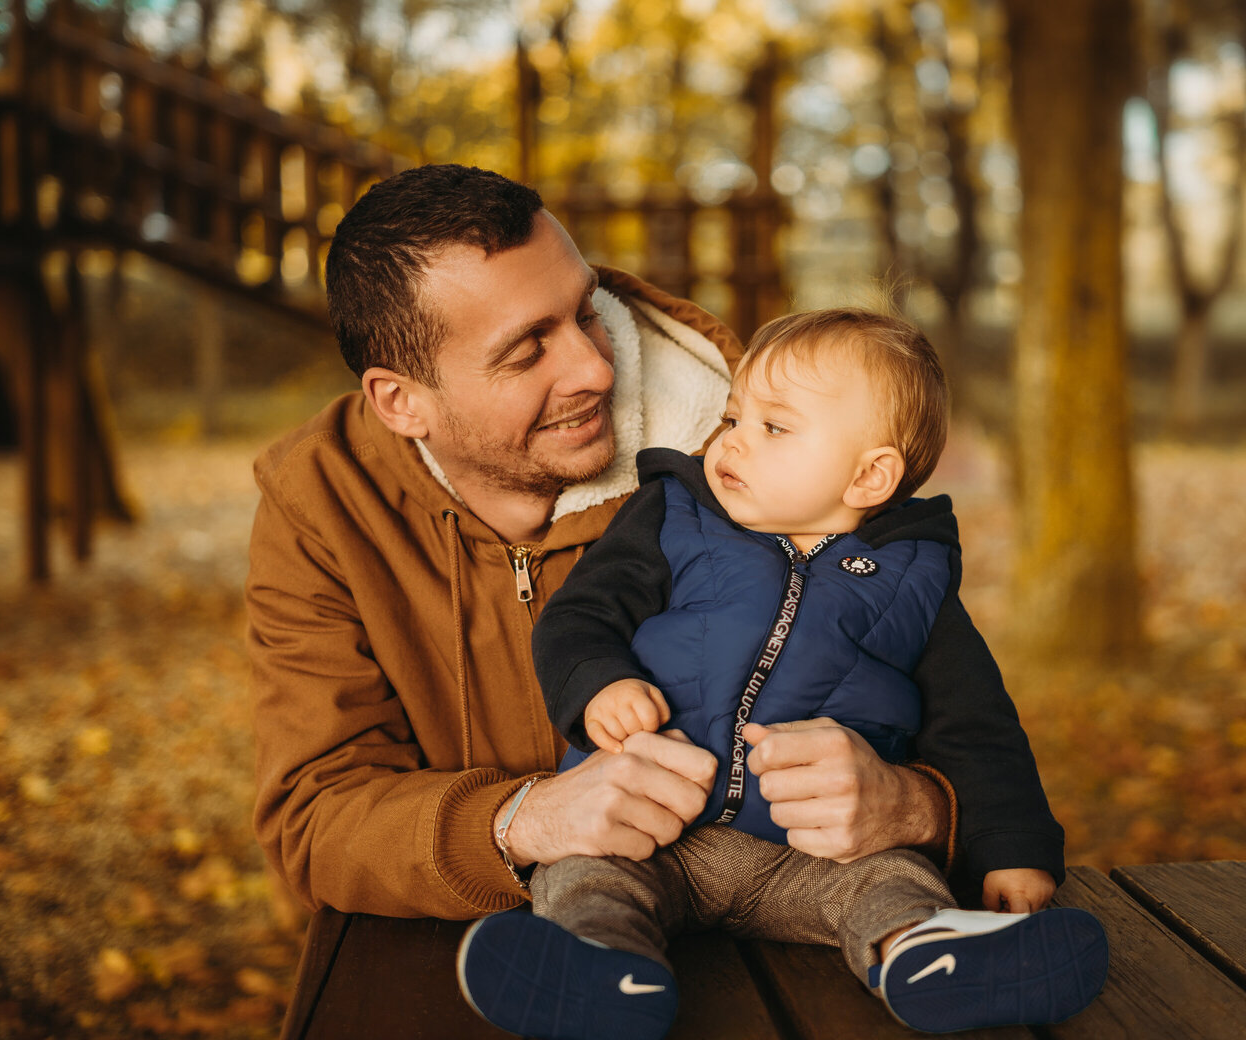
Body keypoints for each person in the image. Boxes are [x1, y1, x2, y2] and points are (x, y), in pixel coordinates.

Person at [246, 165, 958, 929]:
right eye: (526, 352)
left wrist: (918, 806)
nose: (595, 365)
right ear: (402, 401)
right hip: (479, 961)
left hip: (795, 940)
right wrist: (522, 819)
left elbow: (960, 710)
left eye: (586, 311)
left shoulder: (768, 453)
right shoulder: (322, 500)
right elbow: (314, 814)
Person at [455, 308, 1108, 1040]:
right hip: (654, 827)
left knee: (890, 881)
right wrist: (598, 685)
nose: (732, 439)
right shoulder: (675, 518)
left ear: (870, 474)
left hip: (820, 850)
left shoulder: (913, 580)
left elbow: (978, 724)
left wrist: (1013, 846)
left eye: (775, 427)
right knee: (584, 877)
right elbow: (580, 615)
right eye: (735, 415)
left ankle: (929, 956)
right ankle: (603, 969)